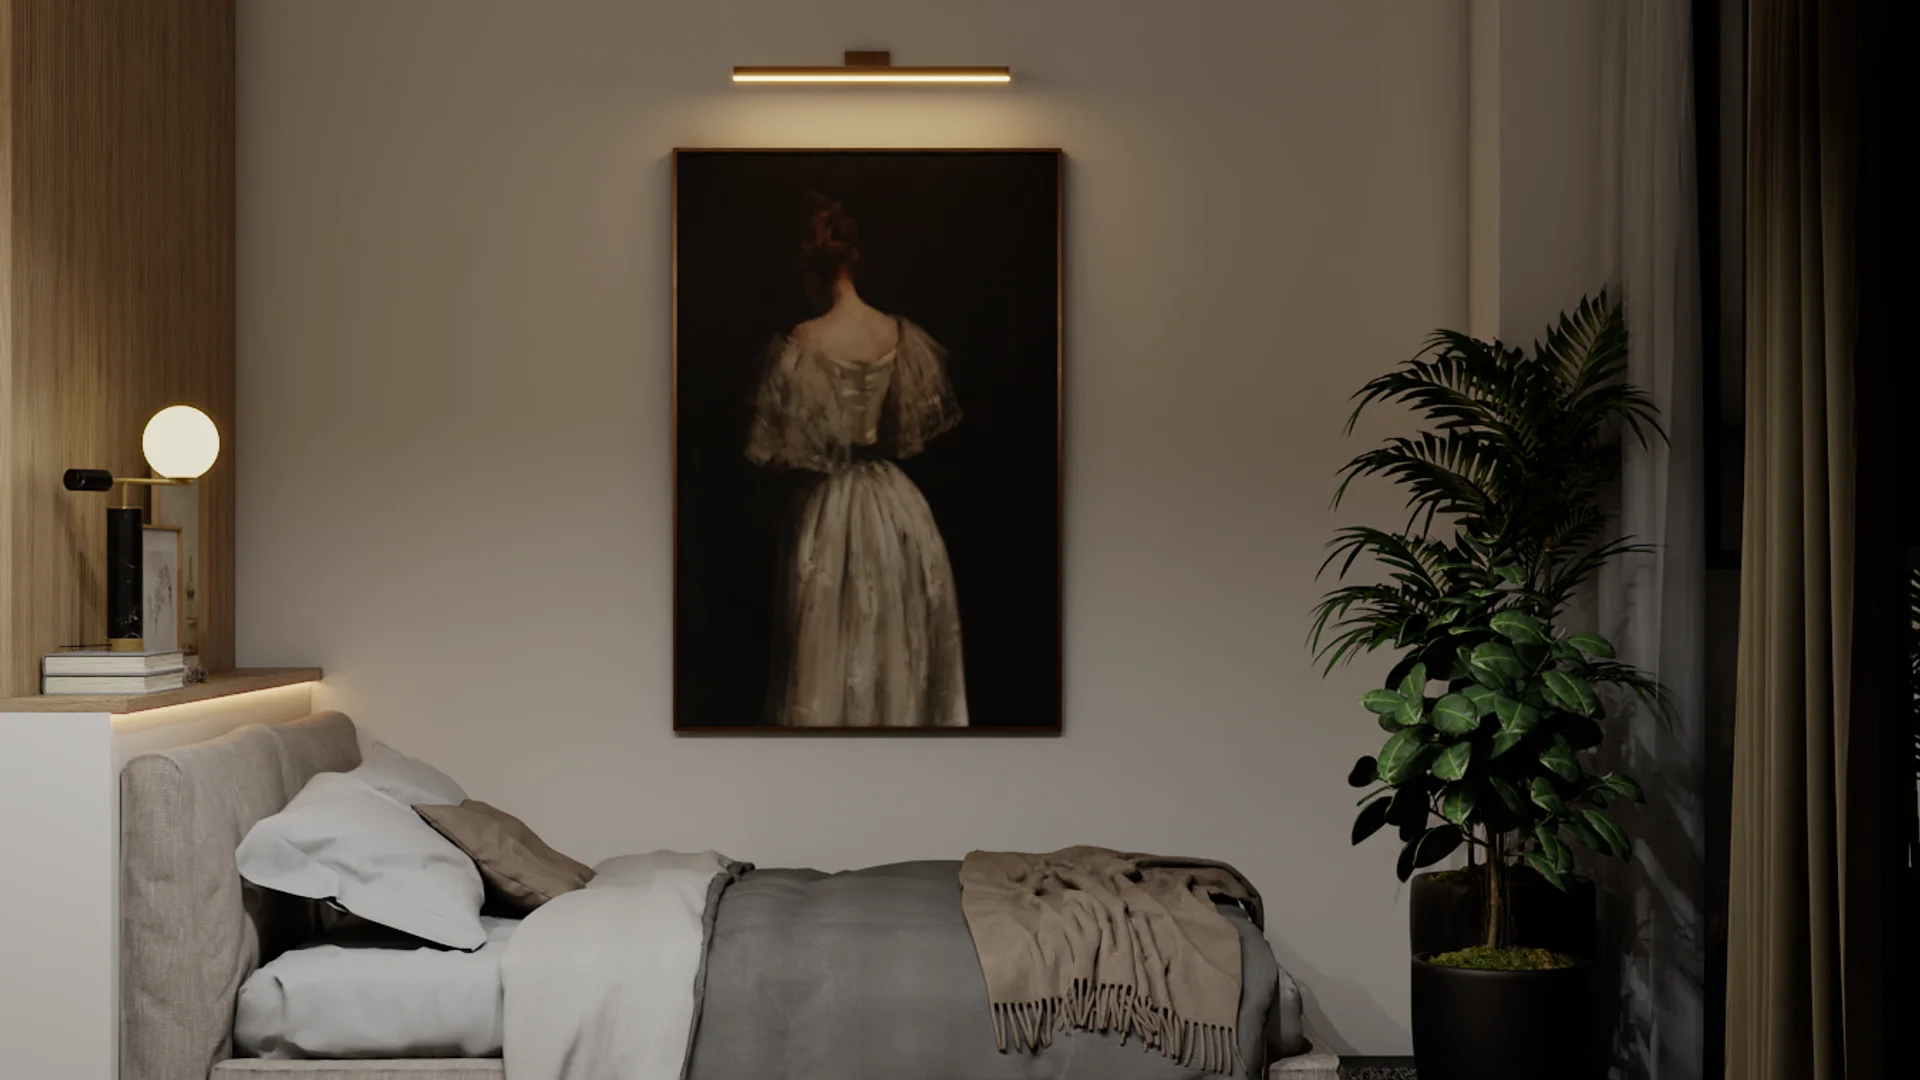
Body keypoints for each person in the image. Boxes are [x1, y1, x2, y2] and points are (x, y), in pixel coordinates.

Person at [744, 196, 969, 727]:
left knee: (833, 638)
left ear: (811, 273)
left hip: (830, 507)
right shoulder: (895, 333)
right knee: (892, 631)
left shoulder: (804, 341)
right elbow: (903, 430)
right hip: (898, 510)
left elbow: (783, 446)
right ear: (857, 260)